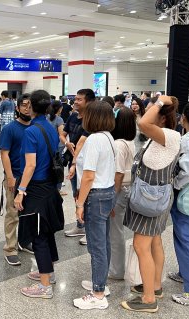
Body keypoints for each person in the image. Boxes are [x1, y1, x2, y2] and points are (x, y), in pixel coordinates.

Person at [121, 95, 181, 313]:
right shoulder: (157, 139)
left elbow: (143, 123)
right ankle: (154, 287)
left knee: (141, 245)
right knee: (154, 241)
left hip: (151, 199)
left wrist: (159, 102)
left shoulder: (170, 136)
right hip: (151, 197)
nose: (146, 114)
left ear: (162, 118)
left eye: (152, 111)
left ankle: (148, 300)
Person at [15, 90, 64, 299]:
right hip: (50, 187)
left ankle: (45, 287)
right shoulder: (51, 128)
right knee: (47, 231)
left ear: (32, 107)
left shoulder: (31, 132)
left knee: (38, 237)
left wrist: (20, 191)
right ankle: (49, 273)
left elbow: (31, 165)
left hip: (35, 189)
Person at [73, 101, 116, 310]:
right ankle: (101, 283)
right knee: (104, 243)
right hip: (107, 192)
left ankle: (98, 294)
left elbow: (89, 176)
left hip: (96, 195)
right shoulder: (108, 137)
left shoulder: (93, 140)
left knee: (97, 246)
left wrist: (80, 203)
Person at [0, 93, 32, 266]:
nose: (27, 108)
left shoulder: (35, 126)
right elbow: (4, 154)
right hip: (15, 176)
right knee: (13, 213)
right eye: (24, 105)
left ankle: (24, 241)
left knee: (28, 213)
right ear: (17, 108)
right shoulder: (9, 129)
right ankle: (10, 248)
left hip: (32, 177)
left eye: (30, 105)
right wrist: (10, 177)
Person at [60, 89, 95, 242]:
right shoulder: (73, 116)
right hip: (72, 162)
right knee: (76, 194)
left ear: (89, 102)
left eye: (79, 99)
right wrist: (66, 143)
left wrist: (75, 161)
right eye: (75, 99)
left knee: (87, 196)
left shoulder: (92, 120)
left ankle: (89, 229)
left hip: (85, 164)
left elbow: (82, 141)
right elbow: (62, 133)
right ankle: (80, 225)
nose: (75, 102)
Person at [170, 102, 189, 306]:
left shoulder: (187, 140)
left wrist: (175, 183)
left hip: (188, 195)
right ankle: (184, 272)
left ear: (184, 118)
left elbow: (188, 169)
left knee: (185, 238)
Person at [109, 107, 136, 280]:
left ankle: (116, 270)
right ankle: (116, 268)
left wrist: (112, 197)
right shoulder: (130, 141)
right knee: (116, 229)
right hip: (127, 188)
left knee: (114, 231)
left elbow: (118, 173)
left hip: (119, 190)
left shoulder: (119, 144)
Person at [46, 100, 65, 193]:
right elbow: (61, 135)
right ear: (59, 109)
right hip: (58, 147)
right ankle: (57, 188)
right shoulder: (59, 119)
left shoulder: (46, 118)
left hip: (47, 146)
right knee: (58, 168)